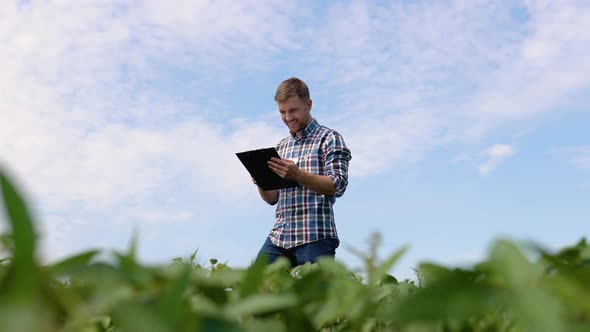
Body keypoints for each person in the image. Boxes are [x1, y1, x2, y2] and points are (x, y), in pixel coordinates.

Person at [253, 77, 351, 267]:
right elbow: (272, 198)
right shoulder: (281, 146)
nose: (288, 117)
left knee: (311, 296)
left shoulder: (329, 139)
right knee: (256, 287)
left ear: (309, 104)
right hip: (280, 237)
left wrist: (298, 175)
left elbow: (337, 185)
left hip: (315, 237)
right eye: (282, 112)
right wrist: (261, 181)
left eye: (293, 110)